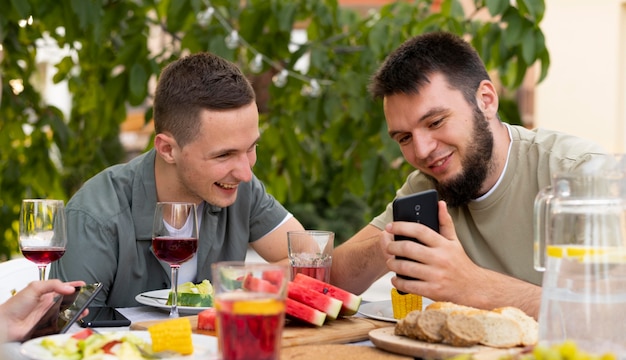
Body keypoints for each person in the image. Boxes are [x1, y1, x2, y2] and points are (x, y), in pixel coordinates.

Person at [330, 31, 607, 319]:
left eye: (435, 121)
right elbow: (333, 281)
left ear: (486, 100)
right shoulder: (426, 186)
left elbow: (609, 316)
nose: (422, 151)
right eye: (404, 138)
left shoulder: (581, 173)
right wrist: (388, 245)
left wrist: (471, 285)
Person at [50, 52, 305, 307]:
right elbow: (71, 332)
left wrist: (241, 286)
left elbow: (309, 259)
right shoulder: (94, 216)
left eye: (250, 148)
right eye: (224, 154)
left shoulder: (239, 186)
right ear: (168, 150)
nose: (245, 172)